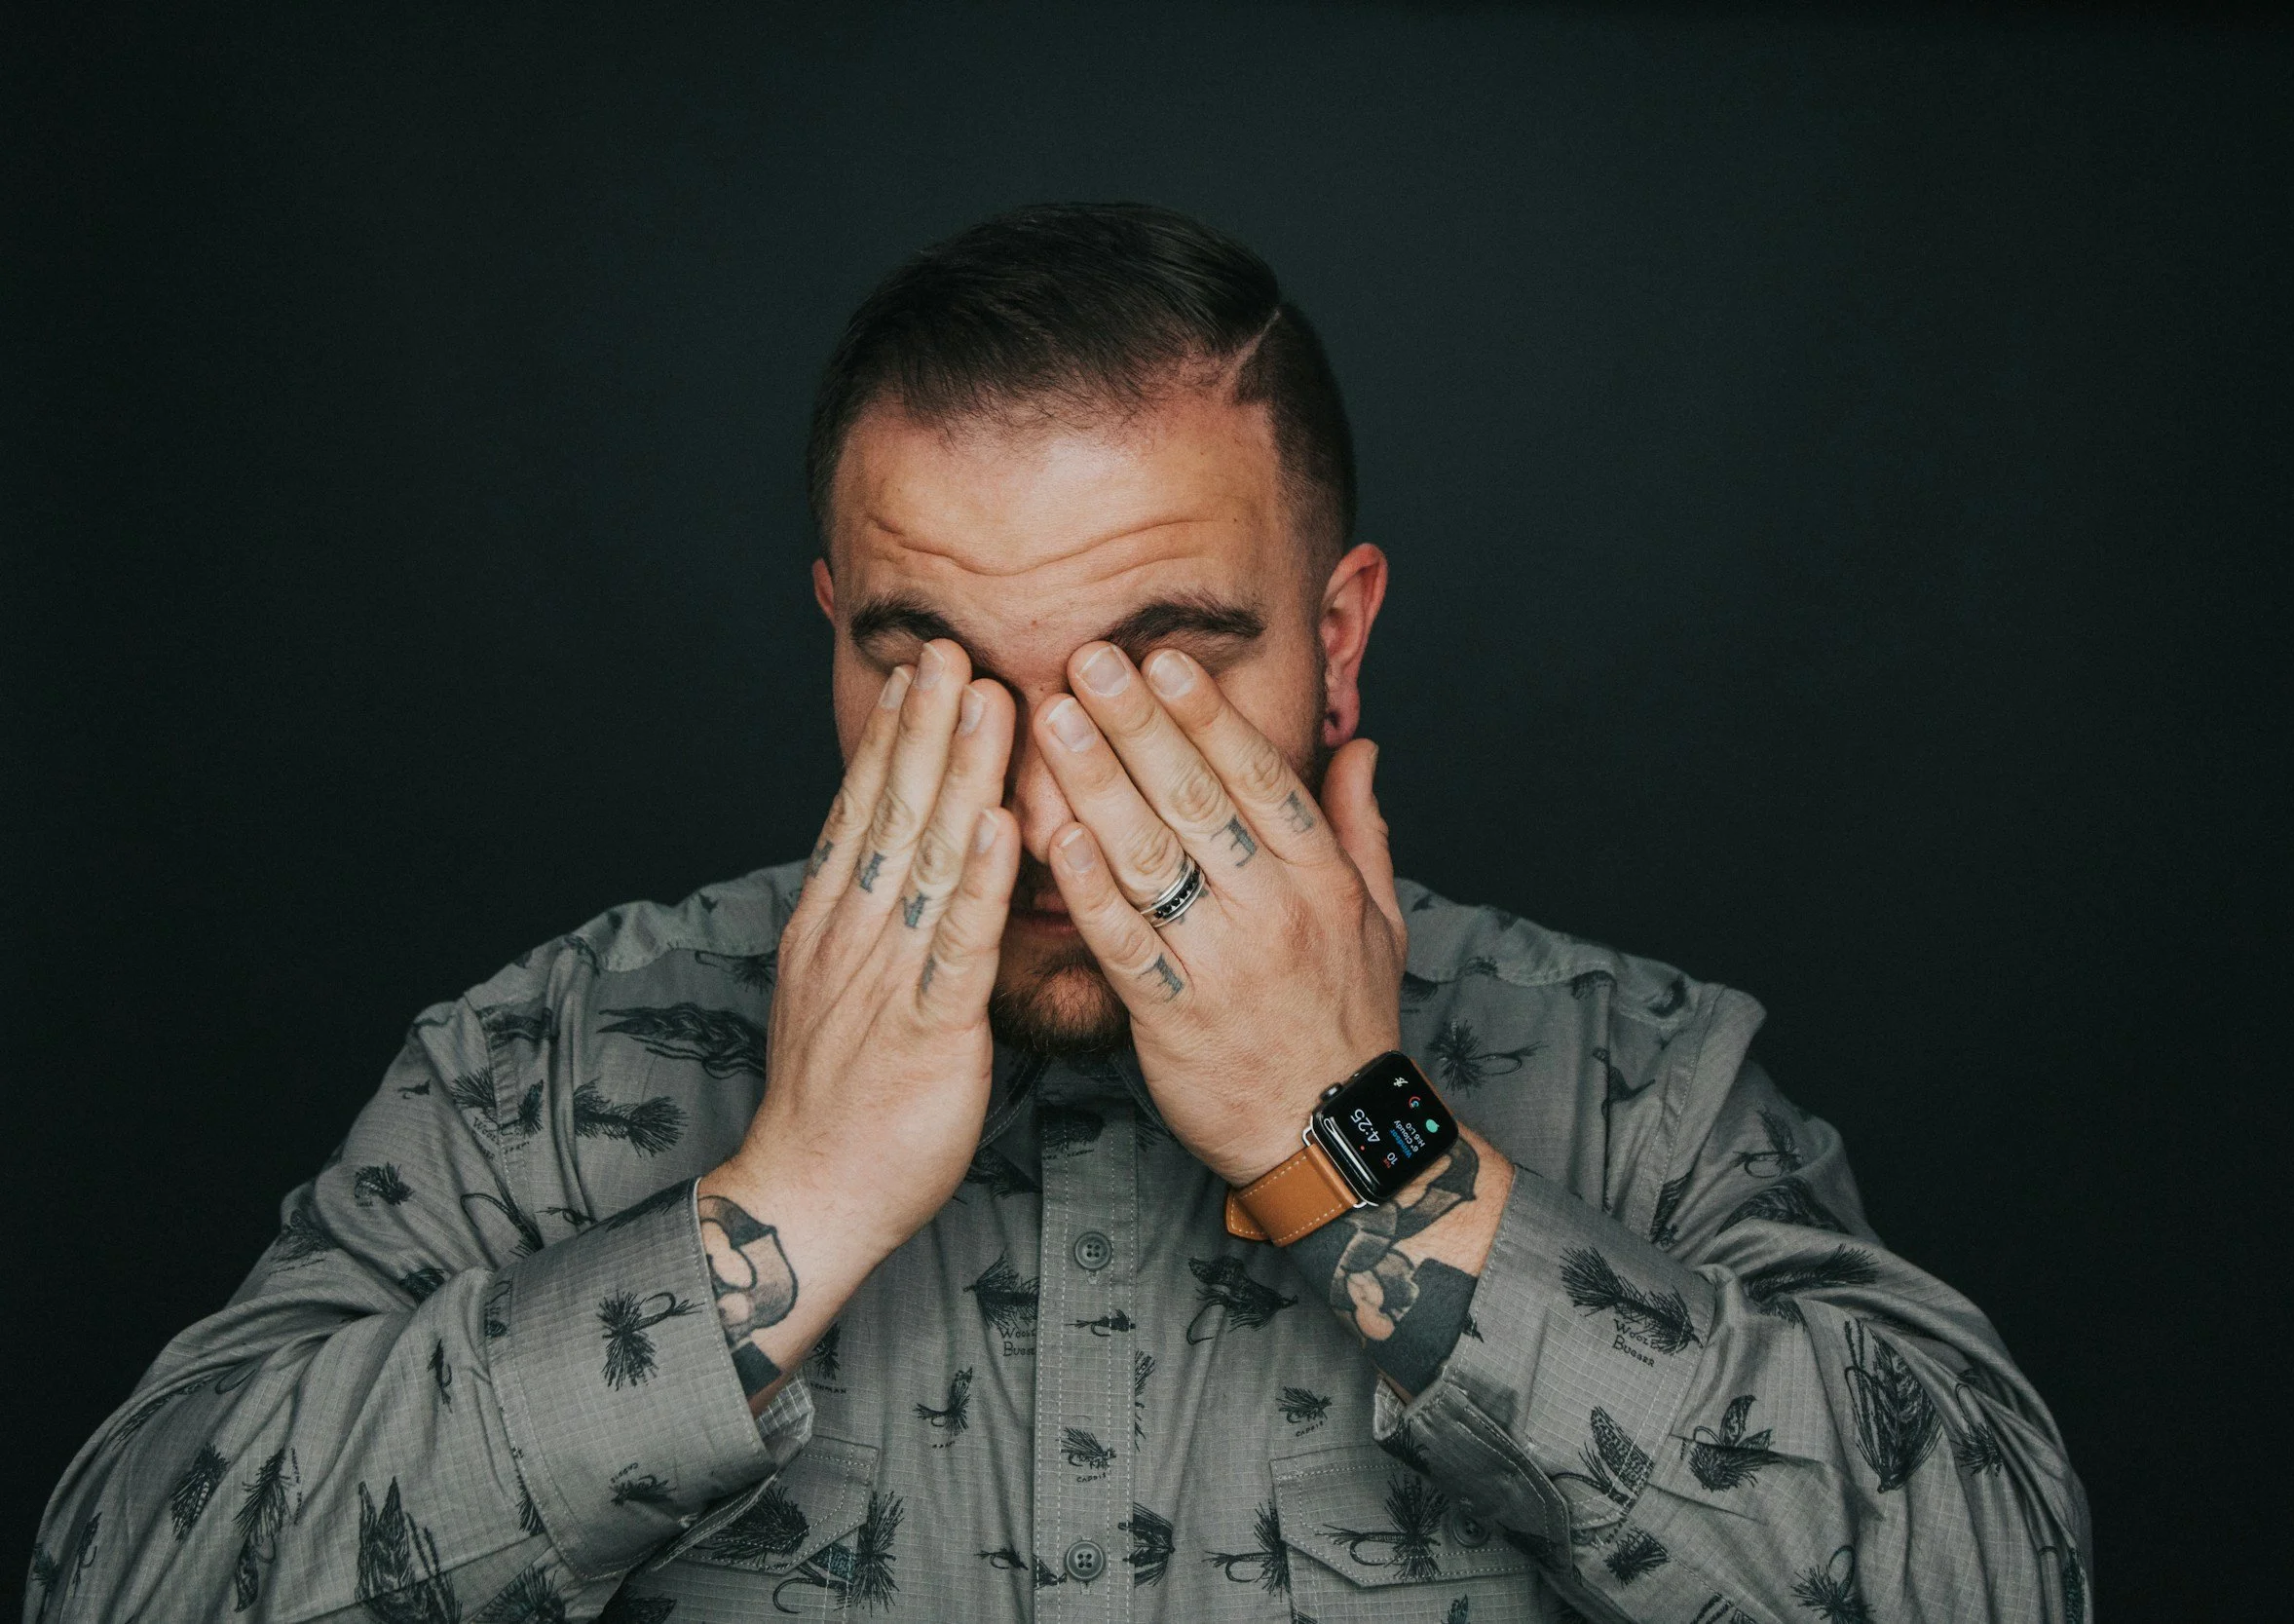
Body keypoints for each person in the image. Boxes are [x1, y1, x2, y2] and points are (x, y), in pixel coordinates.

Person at [28, 203, 2093, 1624]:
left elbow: (1991, 1576)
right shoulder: (548, 1068)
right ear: (832, 636)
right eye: (931, 671)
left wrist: (1362, 1139)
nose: (1036, 794)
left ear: (1336, 639)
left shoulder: (1624, 1072)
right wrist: (787, 1209)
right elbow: (122, 1575)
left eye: (1158, 668)